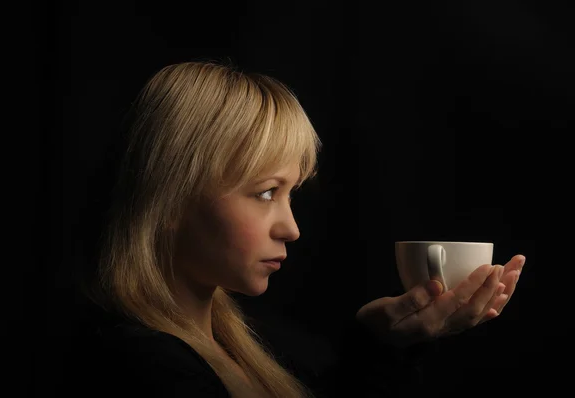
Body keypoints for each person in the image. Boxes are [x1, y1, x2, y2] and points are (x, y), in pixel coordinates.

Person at [64, 60, 525, 397]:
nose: (292, 229)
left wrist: (381, 348)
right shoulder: (141, 369)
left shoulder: (240, 346)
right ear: (168, 198)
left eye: (292, 194)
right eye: (266, 192)